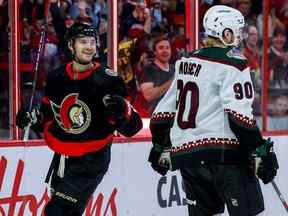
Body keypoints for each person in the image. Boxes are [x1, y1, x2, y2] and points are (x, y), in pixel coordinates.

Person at [148, 5, 279, 216]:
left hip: (189, 158)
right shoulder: (234, 64)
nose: (240, 35)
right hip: (225, 157)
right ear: (225, 33)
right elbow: (239, 119)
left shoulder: (185, 62)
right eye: (237, 31)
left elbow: (163, 113)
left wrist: (159, 145)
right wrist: (260, 149)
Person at [16, 21, 143, 216]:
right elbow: (47, 118)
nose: (89, 46)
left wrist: (124, 110)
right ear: (70, 45)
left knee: (56, 211)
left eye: (92, 41)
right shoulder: (57, 77)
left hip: (92, 158)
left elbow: (132, 128)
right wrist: (31, 117)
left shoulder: (109, 79)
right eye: (83, 41)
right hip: (62, 155)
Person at [138, 35, 174, 117]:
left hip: (174, 118)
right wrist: (172, 81)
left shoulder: (174, 69)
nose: (165, 51)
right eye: (161, 48)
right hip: (156, 119)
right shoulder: (148, 70)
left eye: (167, 48)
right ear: (154, 52)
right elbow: (148, 95)